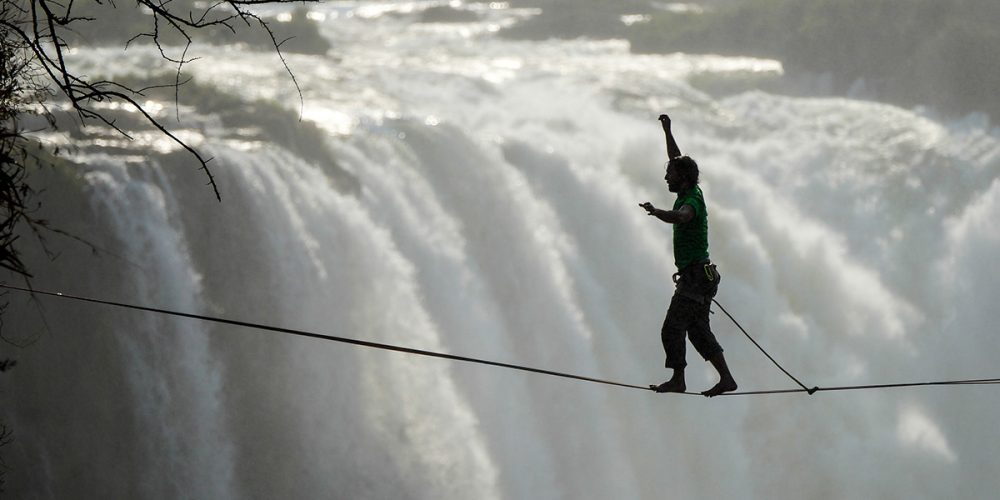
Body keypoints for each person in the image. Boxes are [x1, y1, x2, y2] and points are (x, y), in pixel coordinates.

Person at [639, 114, 737, 397]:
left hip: (695, 278)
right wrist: (667, 130)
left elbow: (683, 217)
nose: (665, 177)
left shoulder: (691, 200)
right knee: (697, 331)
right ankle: (726, 379)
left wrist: (658, 212)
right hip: (701, 276)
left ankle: (678, 379)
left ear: (681, 178)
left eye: (669, 174)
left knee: (672, 328)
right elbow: (676, 157)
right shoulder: (690, 188)